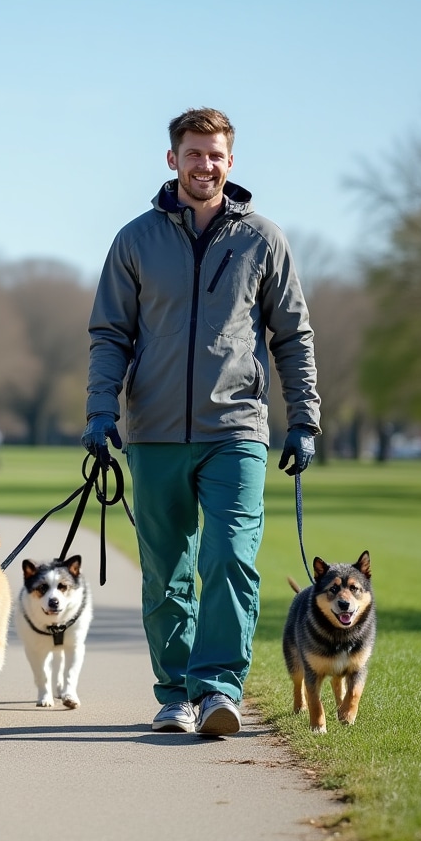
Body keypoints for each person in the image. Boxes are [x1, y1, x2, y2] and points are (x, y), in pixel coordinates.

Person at [81, 107, 320, 737]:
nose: (204, 165)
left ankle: (217, 690)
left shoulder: (263, 240)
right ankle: (175, 693)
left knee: (230, 558)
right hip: (155, 432)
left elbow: (292, 335)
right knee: (167, 571)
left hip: (237, 430)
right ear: (173, 159)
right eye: (193, 153)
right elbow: (110, 334)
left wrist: (305, 419)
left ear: (230, 161)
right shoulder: (135, 240)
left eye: (216, 155)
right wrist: (101, 411)